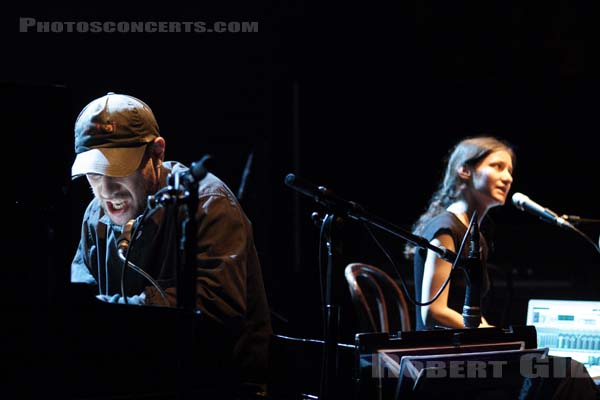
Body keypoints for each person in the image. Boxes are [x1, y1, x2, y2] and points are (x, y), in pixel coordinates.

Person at [70, 92, 272, 396]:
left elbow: (213, 313)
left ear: (157, 153)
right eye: (96, 175)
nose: (107, 190)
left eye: (120, 170)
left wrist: (106, 318)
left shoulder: (207, 204)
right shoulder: (94, 213)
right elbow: (78, 304)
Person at [404, 136, 515, 331]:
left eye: (509, 170)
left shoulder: (475, 237)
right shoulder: (446, 229)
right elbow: (433, 312)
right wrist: (489, 335)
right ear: (465, 170)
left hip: (462, 349)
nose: (507, 178)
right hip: (440, 355)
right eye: (497, 166)